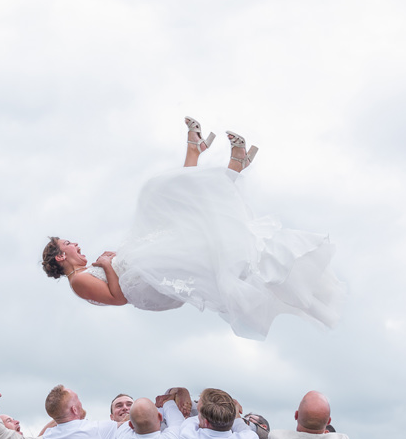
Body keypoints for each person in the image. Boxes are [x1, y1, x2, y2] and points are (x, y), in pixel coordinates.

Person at [39, 118, 345, 340]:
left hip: (144, 269)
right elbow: (119, 298)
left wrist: (112, 261)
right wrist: (108, 263)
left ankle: (208, 157)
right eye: (67, 243)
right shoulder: (78, 281)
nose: (75, 243)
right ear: (59, 258)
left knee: (181, 214)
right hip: (145, 285)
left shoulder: (84, 271)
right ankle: (224, 167)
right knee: (156, 196)